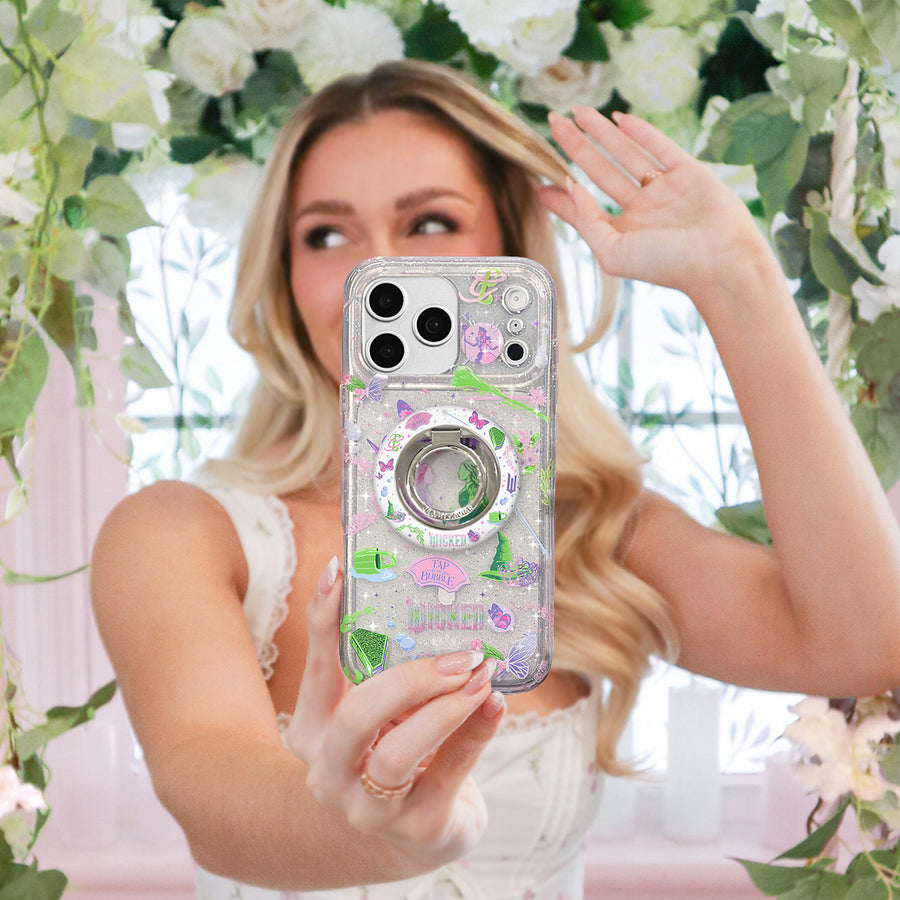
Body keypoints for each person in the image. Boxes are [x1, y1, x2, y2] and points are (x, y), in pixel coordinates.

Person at [90, 59, 900, 900]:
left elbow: (865, 643)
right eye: (327, 235)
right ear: (284, 278)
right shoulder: (180, 536)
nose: (384, 269)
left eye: (431, 223)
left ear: (511, 252)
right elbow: (209, 793)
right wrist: (365, 831)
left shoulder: (593, 530)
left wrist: (741, 279)